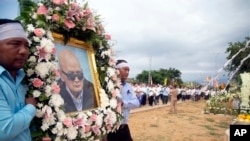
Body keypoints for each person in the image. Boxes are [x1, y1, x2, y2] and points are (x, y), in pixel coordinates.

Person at [0, 19, 37, 141]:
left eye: (26, 45)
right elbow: (5, 130)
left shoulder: (23, 79)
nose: (24, 51)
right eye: (15, 44)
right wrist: (31, 107)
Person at [107, 59, 140, 141]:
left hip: (124, 127)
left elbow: (136, 103)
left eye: (128, 70)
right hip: (111, 130)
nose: (127, 72)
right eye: (125, 69)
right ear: (117, 70)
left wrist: (122, 103)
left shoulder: (128, 86)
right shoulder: (108, 85)